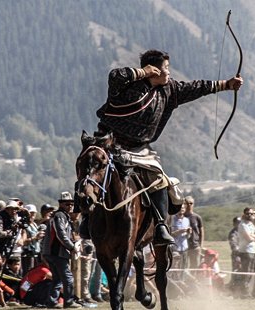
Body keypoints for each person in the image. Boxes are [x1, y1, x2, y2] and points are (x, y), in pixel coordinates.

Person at [84, 49, 243, 246]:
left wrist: (227, 85)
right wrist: (143, 72)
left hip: (140, 149)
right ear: (153, 71)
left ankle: (160, 225)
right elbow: (115, 75)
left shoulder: (170, 90)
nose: (169, 72)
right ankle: (86, 217)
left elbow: (196, 87)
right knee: (90, 171)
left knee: (159, 180)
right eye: (166, 68)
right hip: (109, 143)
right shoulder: (125, 86)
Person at [41, 192, 81, 308]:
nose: (70, 206)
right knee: (68, 278)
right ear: (61, 204)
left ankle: (52, 302)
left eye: (71, 204)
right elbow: (61, 234)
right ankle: (68, 301)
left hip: (52, 252)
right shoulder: (60, 216)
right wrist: (72, 247)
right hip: (56, 252)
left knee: (57, 279)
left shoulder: (61, 216)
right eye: (67, 204)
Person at [237, 208, 255, 297]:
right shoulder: (242, 225)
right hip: (245, 251)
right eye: (248, 213)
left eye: (251, 214)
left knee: (250, 271)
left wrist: (252, 236)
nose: (250, 215)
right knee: (246, 272)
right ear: (244, 214)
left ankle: (247, 290)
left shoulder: (250, 224)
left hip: (252, 250)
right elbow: (249, 238)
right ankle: (244, 291)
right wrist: (253, 237)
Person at [170, 204, 191, 277]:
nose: (181, 209)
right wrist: (179, 231)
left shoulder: (187, 220)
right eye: (180, 208)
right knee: (174, 266)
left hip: (184, 247)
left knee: (183, 267)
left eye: (183, 208)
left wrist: (188, 233)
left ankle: (182, 281)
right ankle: (173, 281)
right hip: (175, 247)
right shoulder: (172, 219)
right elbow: (170, 234)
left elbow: (188, 236)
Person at [183, 196, 204, 269]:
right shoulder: (181, 217)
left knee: (195, 265)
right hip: (183, 246)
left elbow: (201, 232)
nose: (189, 205)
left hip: (195, 245)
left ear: (193, 204)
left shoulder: (197, 217)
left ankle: (195, 280)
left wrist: (200, 246)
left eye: (191, 203)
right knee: (183, 266)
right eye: (187, 203)